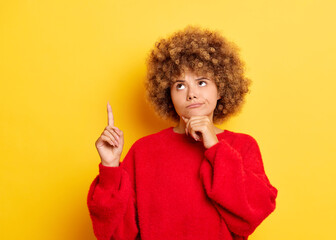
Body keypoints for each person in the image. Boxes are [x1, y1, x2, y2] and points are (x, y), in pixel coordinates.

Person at [87, 25, 278, 240]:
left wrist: (215, 148)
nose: (192, 94)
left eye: (202, 82)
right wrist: (110, 169)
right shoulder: (143, 151)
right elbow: (116, 234)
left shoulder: (242, 147)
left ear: (221, 90)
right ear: (167, 93)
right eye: (180, 85)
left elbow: (253, 213)